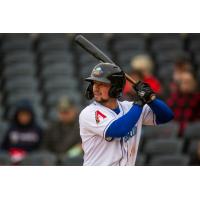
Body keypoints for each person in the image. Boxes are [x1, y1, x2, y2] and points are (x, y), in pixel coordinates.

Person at [79, 63, 174, 166]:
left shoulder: (130, 107)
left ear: (115, 88)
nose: (95, 88)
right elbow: (119, 130)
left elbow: (166, 116)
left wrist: (150, 98)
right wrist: (140, 102)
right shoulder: (88, 113)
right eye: (94, 83)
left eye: (102, 84)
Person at [42, 96, 82, 162]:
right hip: (54, 162)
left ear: (74, 110)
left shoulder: (82, 127)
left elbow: (81, 147)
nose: (64, 115)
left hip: (74, 162)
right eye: (61, 112)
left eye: (67, 112)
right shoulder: (52, 128)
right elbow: (44, 148)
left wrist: (67, 155)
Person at [167, 70, 200, 136]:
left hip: (192, 133)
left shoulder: (198, 98)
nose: (186, 85)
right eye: (184, 82)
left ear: (194, 83)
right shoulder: (173, 98)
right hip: (174, 132)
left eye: (189, 82)